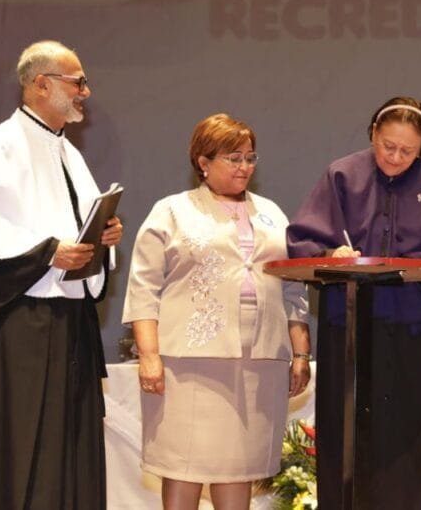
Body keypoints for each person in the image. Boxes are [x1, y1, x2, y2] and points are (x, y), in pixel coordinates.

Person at [0, 40, 124, 509]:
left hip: (72, 325)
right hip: (25, 327)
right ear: (41, 85)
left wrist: (103, 235)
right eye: (78, 82)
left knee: (73, 447)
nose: (86, 92)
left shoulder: (68, 153)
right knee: (23, 446)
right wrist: (50, 254)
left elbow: (76, 228)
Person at [286, 96, 421, 510]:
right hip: (349, 326)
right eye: (389, 146)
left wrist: (410, 266)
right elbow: (303, 238)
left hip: (414, 328)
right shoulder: (342, 175)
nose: (396, 157)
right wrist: (331, 254)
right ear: (373, 133)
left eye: (408, 151)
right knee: (345, 436)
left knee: (408, 440)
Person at [122, 113, 311, 509]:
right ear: (203, 162)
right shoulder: (172, 211)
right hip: (188, 364)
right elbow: (143, 287)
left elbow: (293, 287)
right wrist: (150, 356)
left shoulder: (271, 213)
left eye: (250, 158)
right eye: (233, 158)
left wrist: (300, 352)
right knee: (183, 465)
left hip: (259, 362)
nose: (244, 167)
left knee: (239, 467)